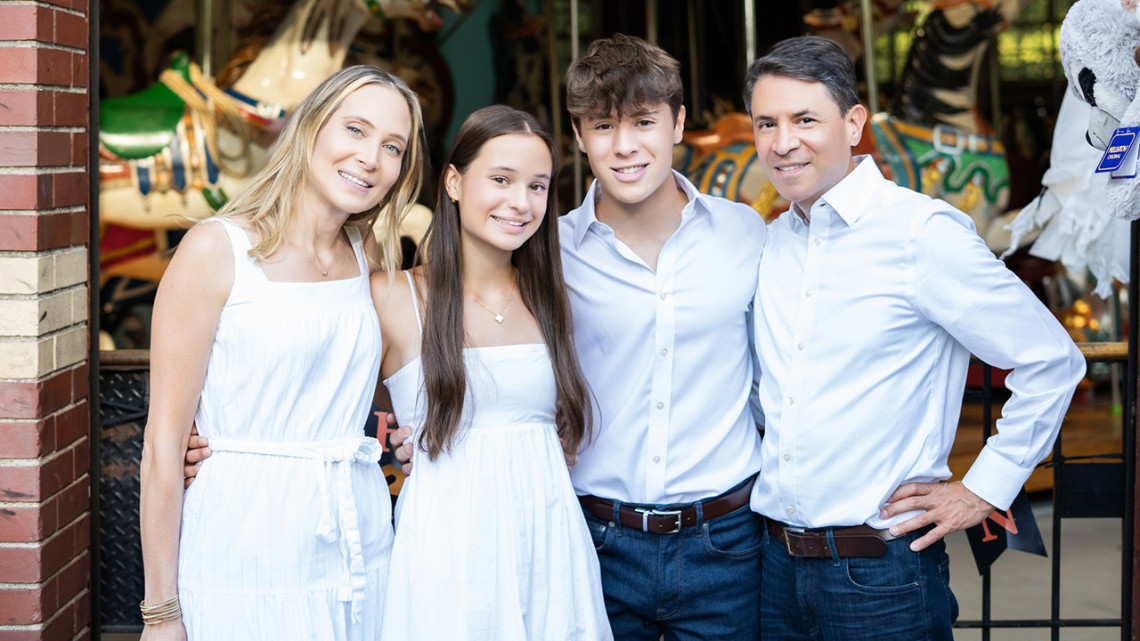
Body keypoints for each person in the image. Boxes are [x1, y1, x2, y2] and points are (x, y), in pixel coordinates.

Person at [743, 36, 1086, 640]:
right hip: (773, 569)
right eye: (766, 122)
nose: (782, 141)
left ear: (853, 124)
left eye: (804, 119)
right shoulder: (771, 243)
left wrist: (982, 489)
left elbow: (1051, 361)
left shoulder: (920, 233)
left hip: (880, 575)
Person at [139, 65, 426, 640]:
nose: (371, 157)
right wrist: (161, 612)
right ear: (311, 128)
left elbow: (342, 386)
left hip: (358, 543)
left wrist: (401, 430)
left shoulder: (367, 253)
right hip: (243, 543)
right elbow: (162, 447)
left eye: (392, 146)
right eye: (355, 130)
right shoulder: (216, 250)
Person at [373, 105, 612, 640]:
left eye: (537, 186)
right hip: (447, 553)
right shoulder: (396, 297)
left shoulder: (553, 298)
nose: (520, 202)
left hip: (550, 545)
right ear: (454, 182)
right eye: (500, 179)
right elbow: (330, 405)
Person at [560, 34, 766, 639]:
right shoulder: (550, 251)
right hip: (594, 542)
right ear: (578, 136)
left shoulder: (745, 232)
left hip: (726, 542)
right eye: (602, 126)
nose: (624, 146)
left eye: (644, 122)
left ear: (677, 123)